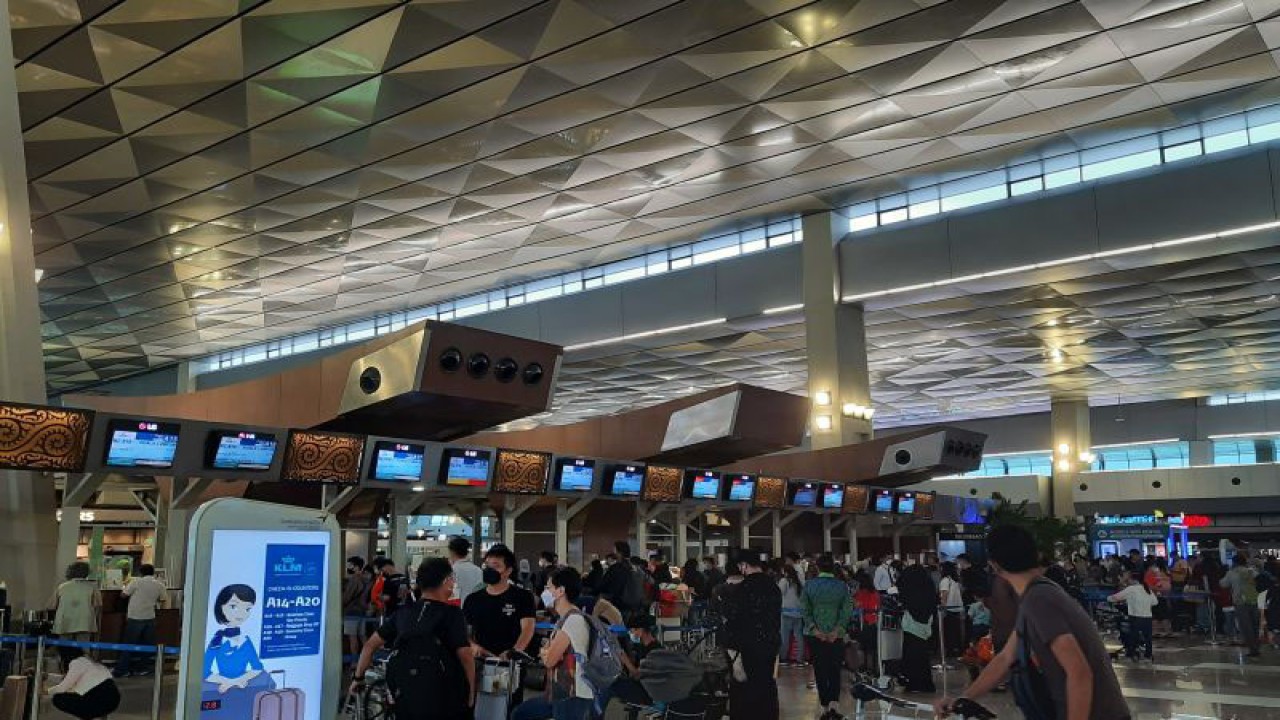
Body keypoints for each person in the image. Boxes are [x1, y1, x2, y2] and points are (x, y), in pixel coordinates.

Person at [935, 524, 1130, 720]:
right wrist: (963, 698)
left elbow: (1079, 671)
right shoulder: (1035, 595)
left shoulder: (1040, 598)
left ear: (994, 566)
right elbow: (1005, 658)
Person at [352, 558, 475, 720]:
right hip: (444, 695)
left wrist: (358, 678)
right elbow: (465, 655)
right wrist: (471, 692)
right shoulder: (452, 614)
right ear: (447, 581)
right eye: (452, 578)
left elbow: (369, 645)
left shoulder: (403, 612)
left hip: (405, 692)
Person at [512, 567, 595, 720]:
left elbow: (550, 660)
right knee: (521, 713)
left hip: (572, 693)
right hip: (562, 692)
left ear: (560, 591)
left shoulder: (573, 621)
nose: (545, 592)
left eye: (548, 587)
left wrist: (545, 653)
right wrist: (547, 652)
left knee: (521, 713)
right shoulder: (566, 618)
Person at [719, 549, 781, 720]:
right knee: (766, 686)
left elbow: (733, 617)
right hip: (769, 645)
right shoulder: (773, 586)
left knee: (745, 691)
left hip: (747, 648)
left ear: (744, 565)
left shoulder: (743, 588)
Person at [800, 554, 851, 720]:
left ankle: (823, 707)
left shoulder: (809, 586)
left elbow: (805, 610)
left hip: (815, 636)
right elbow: (846, 610)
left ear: (818, 567)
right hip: (836, 636)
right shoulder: (842, 586)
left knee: (820, 669)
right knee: (835, 669)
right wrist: (838, 630)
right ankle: (834, 706)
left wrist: (815, 630)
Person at [465, 544, 536, 659]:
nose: (489, 570)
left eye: (496, 566)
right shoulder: (472, 599)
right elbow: (466, 632)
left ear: (508, 571)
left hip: (512, 664)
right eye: (487, 566)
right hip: (481, 661)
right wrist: (474, 646)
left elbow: (528, 629)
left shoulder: (523, 596)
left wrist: (513, 652)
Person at [114, 563, 167, 677]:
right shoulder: (159, 584)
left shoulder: (136, 582)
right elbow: (163, 599)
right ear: (153, 572)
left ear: (140, 572)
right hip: (150, 616)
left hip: (135, 617)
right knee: (147, 645)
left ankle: (122, 670)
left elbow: (123, 595)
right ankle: (143, 668)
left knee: (129, 644)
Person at [50, 561, 100, 669]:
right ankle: (82, 670)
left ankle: (65, 668)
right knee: (83, 648)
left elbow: (52, 605)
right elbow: (98, 605)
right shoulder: (92, 587)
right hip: (85, 621)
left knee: (64, 647)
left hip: (65, 622)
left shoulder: (62, 587)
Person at [895, 564, 937, 693]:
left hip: (912, 625)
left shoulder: (909, 589)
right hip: (925, 623)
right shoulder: (928, 586)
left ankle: (914, 682)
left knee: (912, 653)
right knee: (921, 655)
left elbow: (904, 597)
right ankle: (924, 682)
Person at [46, 647, 120, 720]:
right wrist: (48, 676)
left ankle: (87, 715)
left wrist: (47, 691)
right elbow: (69, 679)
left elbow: (63, 687)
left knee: (58, 699)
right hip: (113, 700)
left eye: (57, 655)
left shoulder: (77, 663)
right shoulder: (87, 660)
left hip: (98, 701)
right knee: (78, 695)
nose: (57, 658)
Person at [1109, 571, 1158, 662]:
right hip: (1147, 617)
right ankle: (1148, 656)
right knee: (1148, 638)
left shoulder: (1131, 589)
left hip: (1135, 617)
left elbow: (1116, 597)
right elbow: (1155, 602)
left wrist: (1108, 598)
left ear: (1132, 580)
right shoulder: (1146, 588)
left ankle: (1132, 654)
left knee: (1133, 637)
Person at [1221, 554, 1262, 657]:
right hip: (1255, 600)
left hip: (1241, 602)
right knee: (1255, 625)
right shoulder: (1251, 571)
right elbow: (1260, 581)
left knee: (1246, 626)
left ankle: (1253, 649)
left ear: (1234, 562)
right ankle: (1256, 646)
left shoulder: (1232, 573)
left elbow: (1223, 584)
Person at [778, 561, 805, 666]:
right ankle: (800, 658)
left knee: (785, 637)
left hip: (786, 612)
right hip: (798, 613)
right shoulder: (798, 582)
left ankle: (783, 657)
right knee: (799, 637)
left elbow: (780, 593)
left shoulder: (784, 581)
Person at [342, 556, 369, 658]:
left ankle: (354, 662)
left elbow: (347, 597)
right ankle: (368, 659)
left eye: (350, 565)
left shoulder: (354, 580)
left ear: (356, 567)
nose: (348, 567)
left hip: (351, 611)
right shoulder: (365, 579)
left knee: (352, 638)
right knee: (363, 637)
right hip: (362, 610)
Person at [938, 561, 964, 656]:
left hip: (948, 609)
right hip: (957, 609)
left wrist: (942, 607)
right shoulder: (955, 581)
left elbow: (944, 595)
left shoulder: (945, 580)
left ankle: (950, 651)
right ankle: (957, 650)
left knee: (949, 632)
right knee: (956, 631)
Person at [448, 537, 484, 605]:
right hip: (475, 609)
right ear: (467, 552)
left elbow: (452, 596)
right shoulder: (478, 570)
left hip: (458, 610)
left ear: (452, 552)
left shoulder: (451, 571)